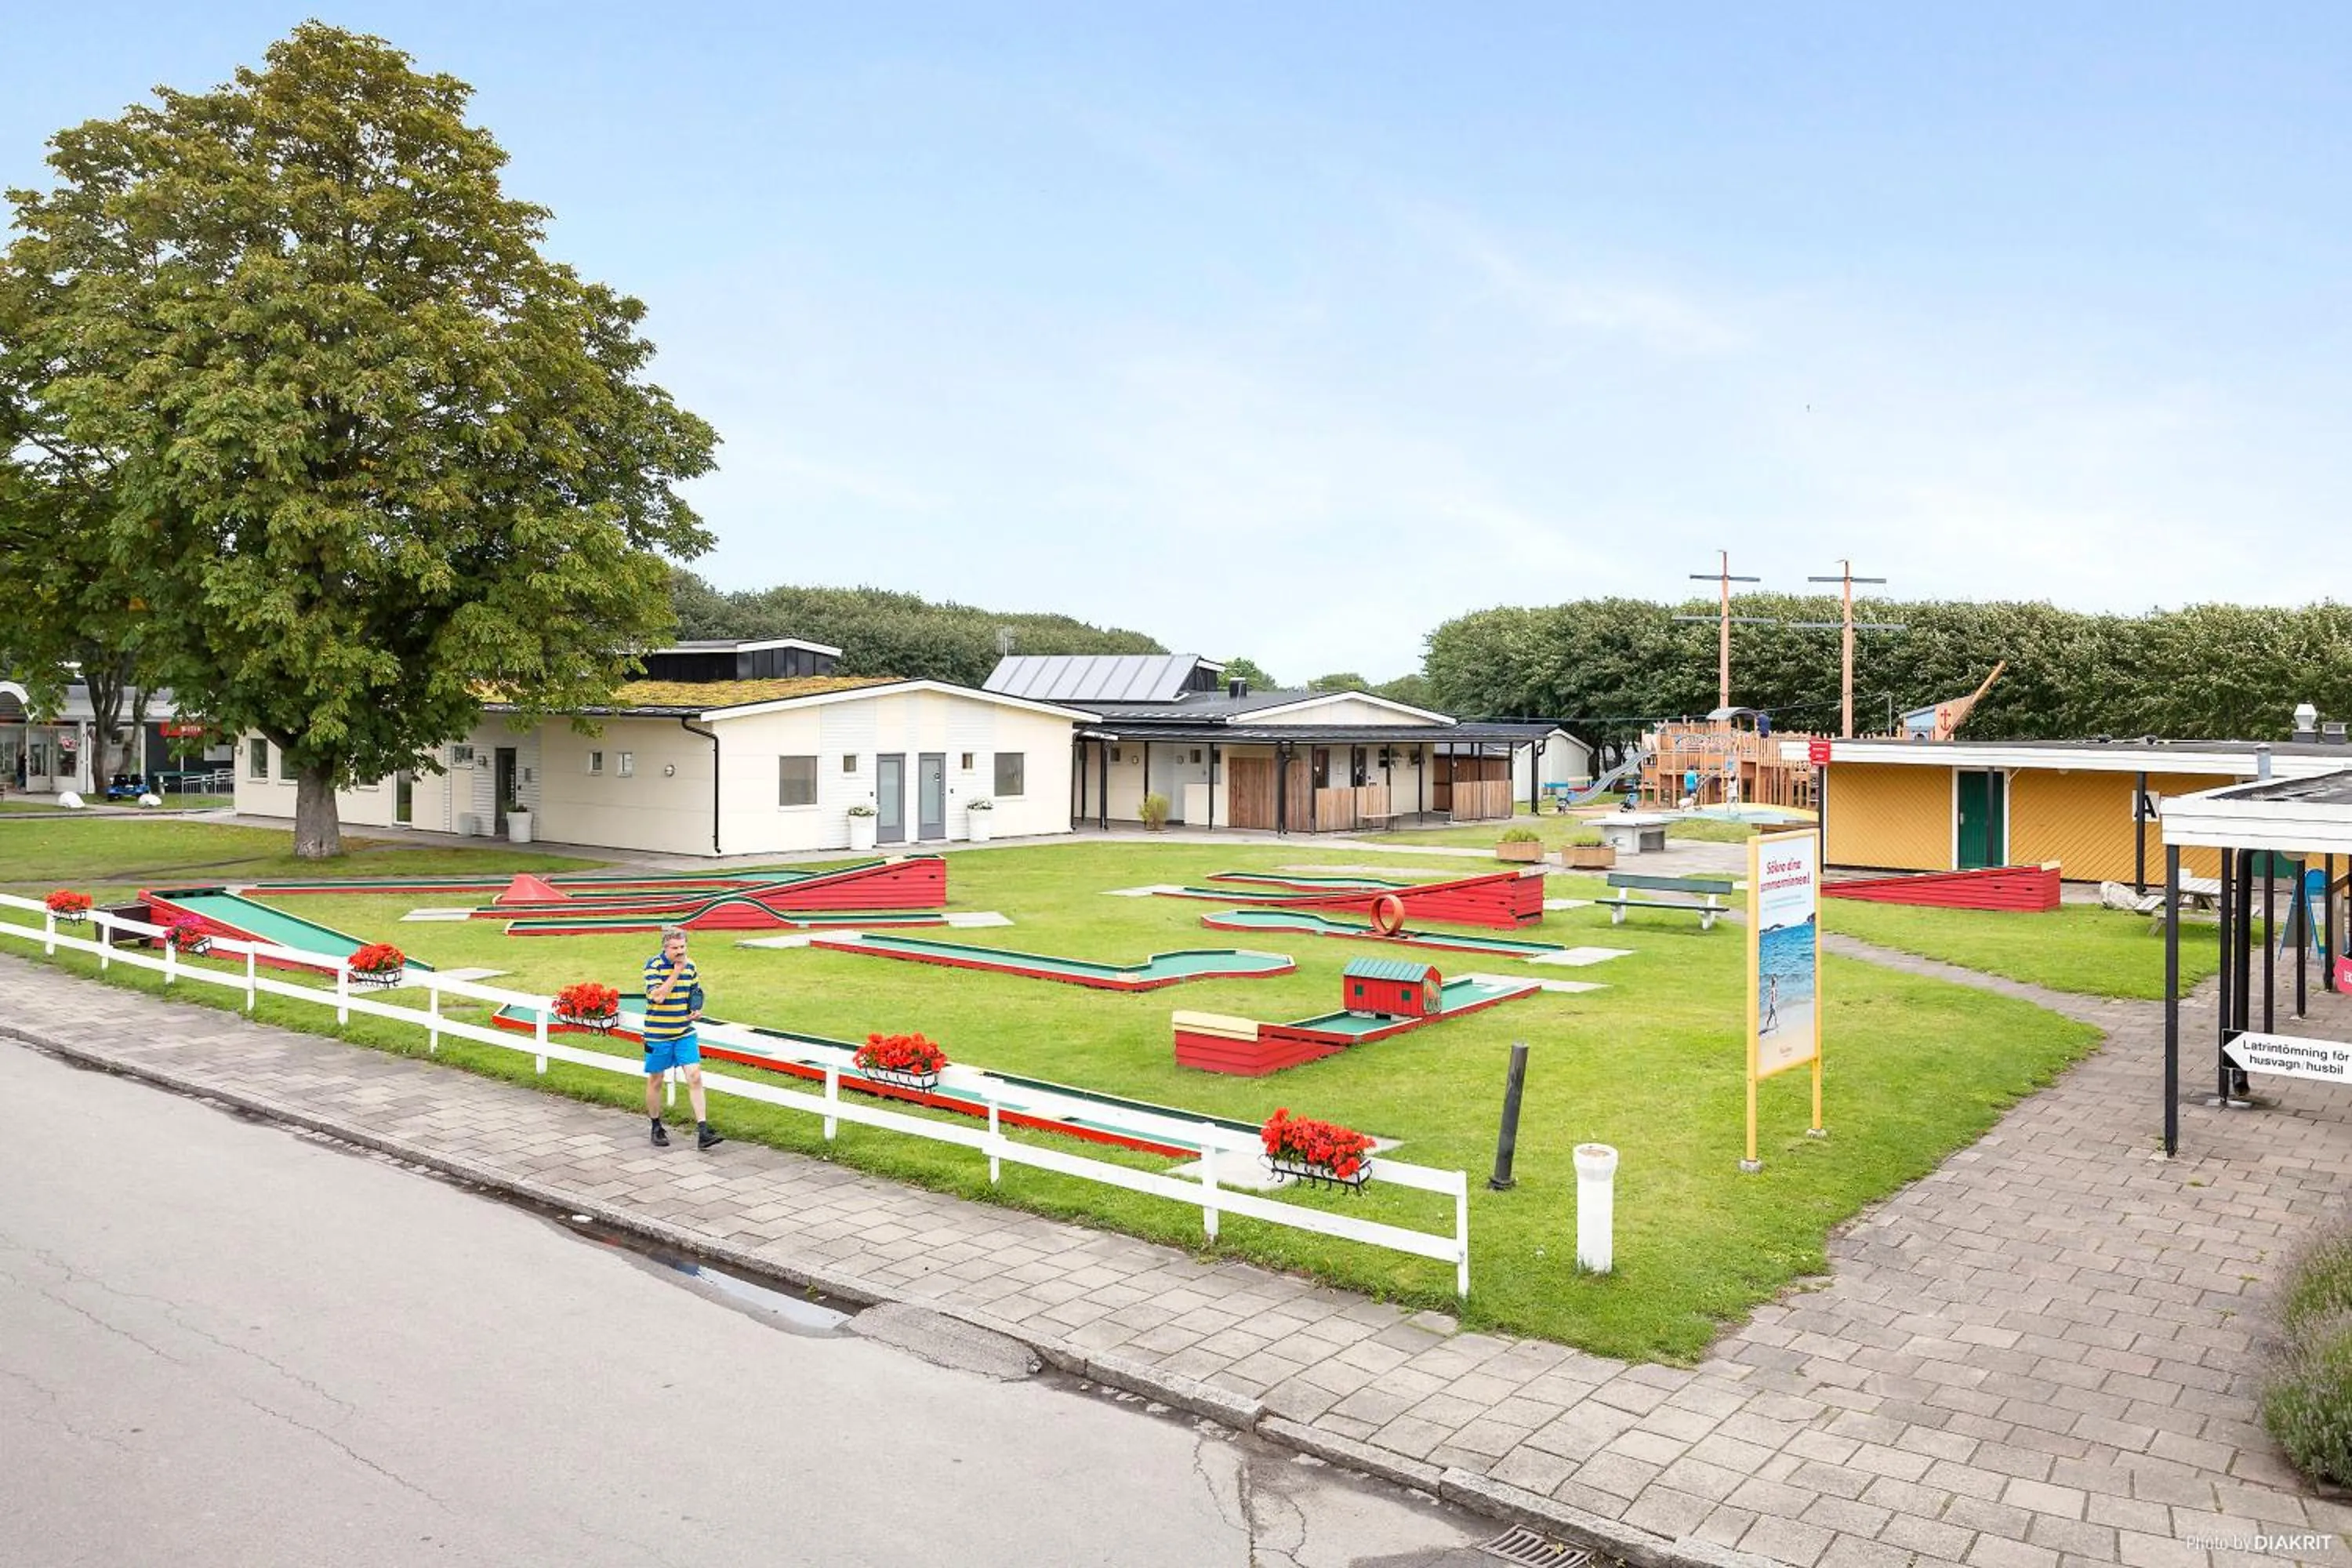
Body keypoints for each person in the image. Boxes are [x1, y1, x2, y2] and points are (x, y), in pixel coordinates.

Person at [642, 924, 723, 1150]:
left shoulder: (692, 965)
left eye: (683, 946)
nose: (680, 951)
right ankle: (656, 1125)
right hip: (658, 1033)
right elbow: (657, 997)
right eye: (675, 948)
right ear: (665, 948)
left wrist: (696, 1008)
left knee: (695, 1076)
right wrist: (676, 971)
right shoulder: (654, 966)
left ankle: (703, 1131)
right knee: (656, 1079)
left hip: (684, 1031)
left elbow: (695, 992)